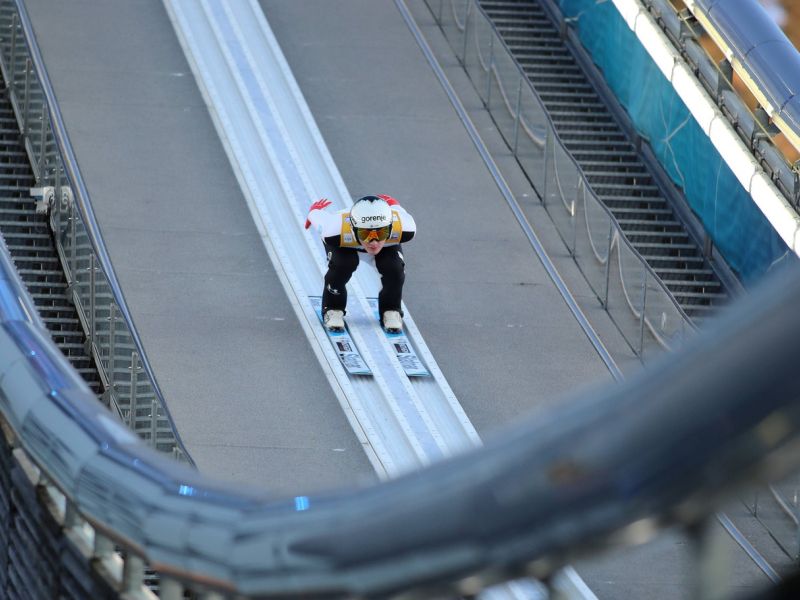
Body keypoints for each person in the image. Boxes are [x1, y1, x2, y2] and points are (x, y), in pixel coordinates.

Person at [304, 194, 416, 333]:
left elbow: (397, 210)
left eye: (381, 233)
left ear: (391, 227)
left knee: (394, 269)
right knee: (342, 264)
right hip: (345, 246)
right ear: (352, 228)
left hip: (385, 247)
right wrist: (314, 211)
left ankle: (391, 309)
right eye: (365, 234)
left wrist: (392, 203)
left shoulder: (405, 228)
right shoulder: (333, 230)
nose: (373, 242)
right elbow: (315, 215)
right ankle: (333, 308)